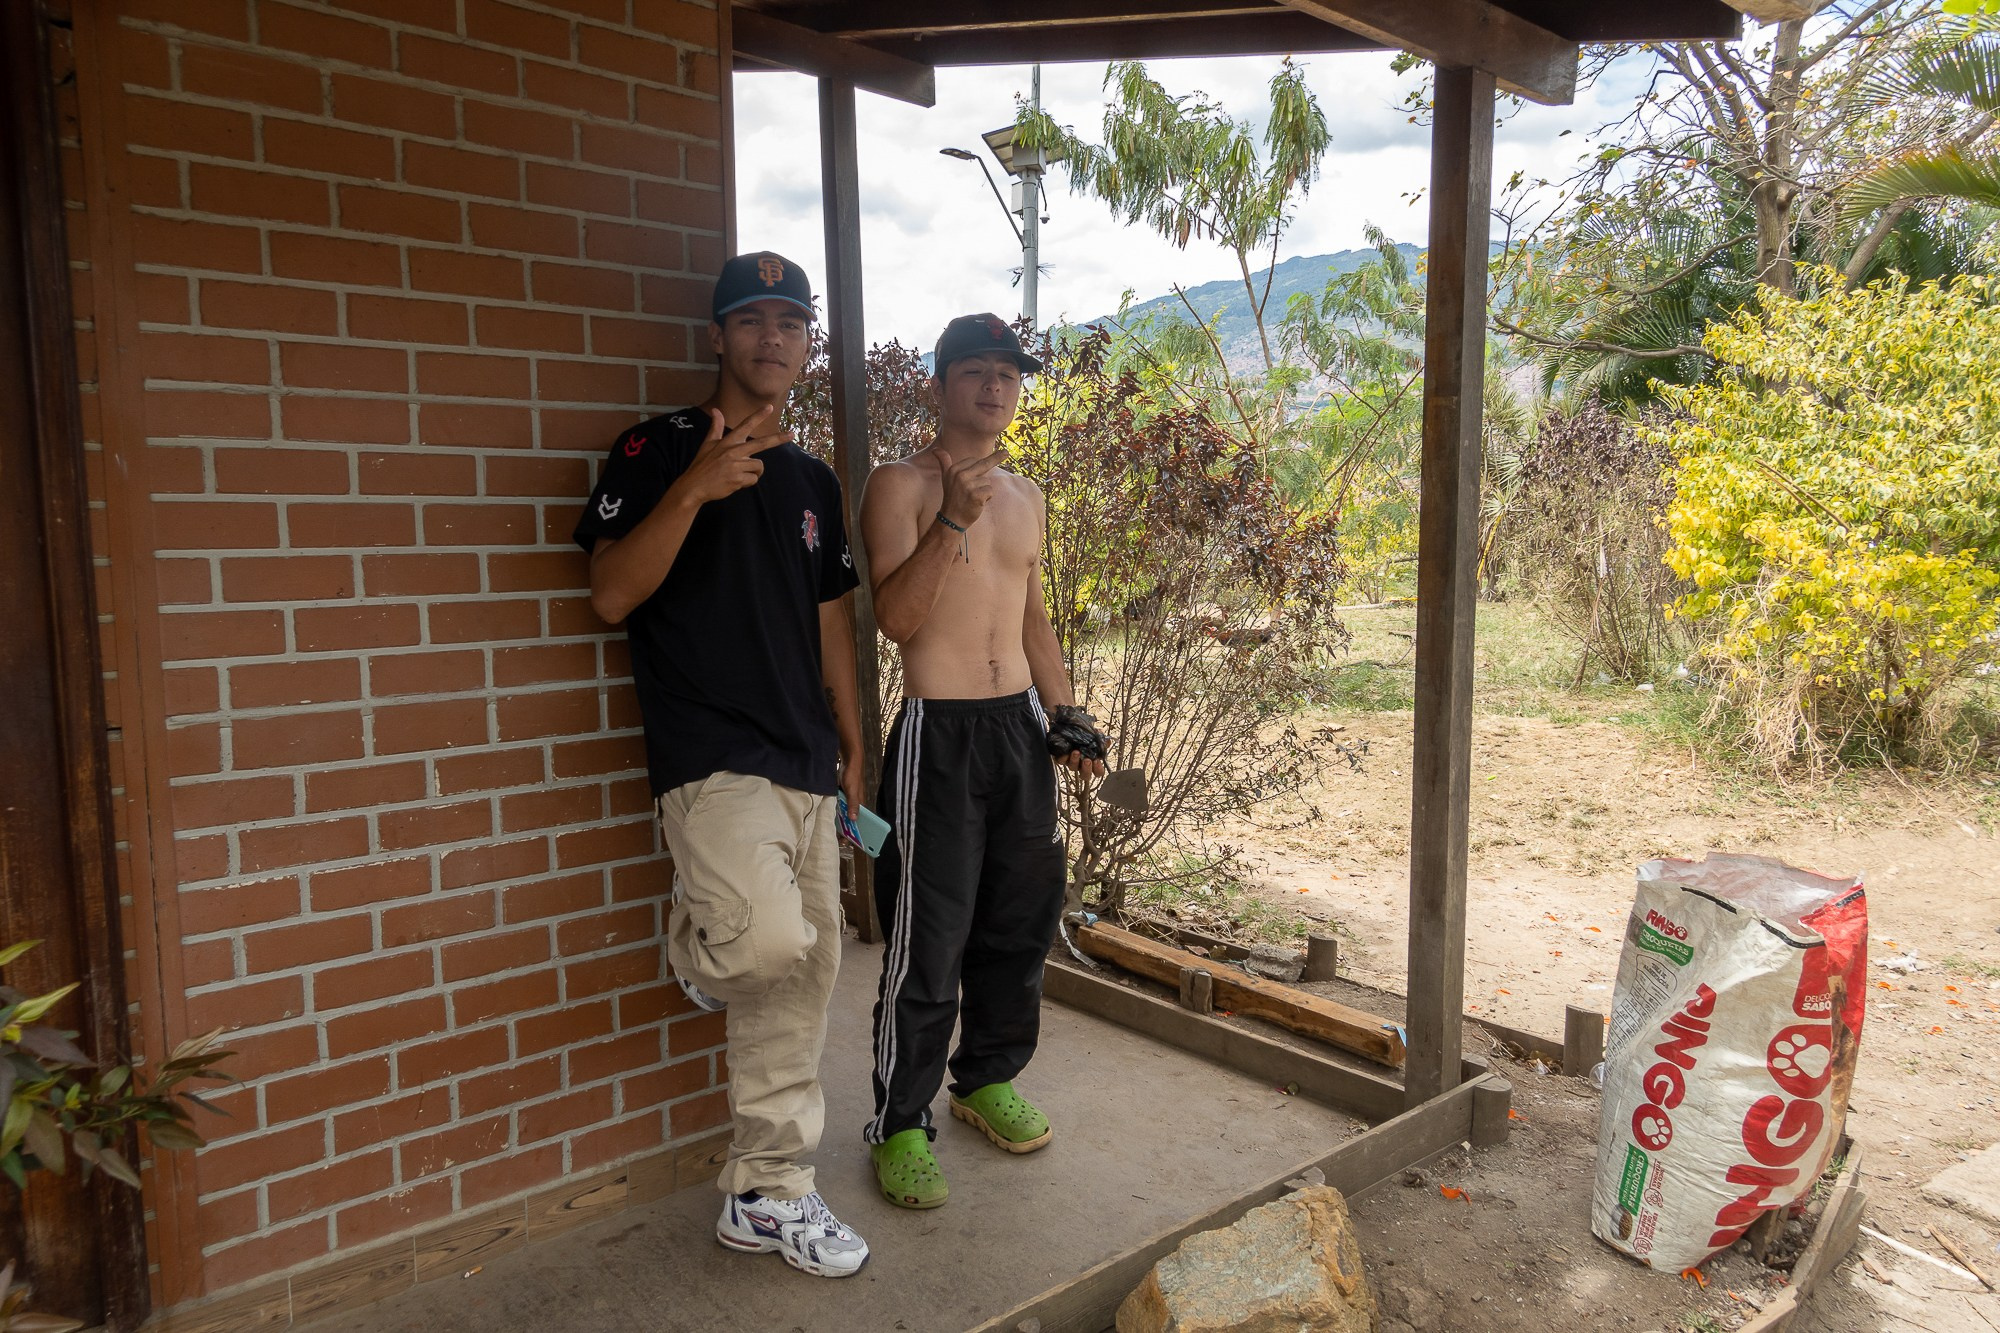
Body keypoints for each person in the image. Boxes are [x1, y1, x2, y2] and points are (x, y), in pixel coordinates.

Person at [573, 251, 870, 1278]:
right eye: (751, 319)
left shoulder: (813, 481)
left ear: (807, 343)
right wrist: (694, 488)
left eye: (791, 321)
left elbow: (831, 622)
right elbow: (611, 594)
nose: (772, 337)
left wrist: (851, 745)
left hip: (805, 760)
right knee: (766, 947)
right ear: (717, 336)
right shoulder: (654, 447)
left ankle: (766, 1192)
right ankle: (701, 943)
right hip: (712, 755)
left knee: (806, 975)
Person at [857, 313, 1110, 1210]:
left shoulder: (1027, 494)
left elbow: (1032, 617)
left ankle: (987, 1077)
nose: (996, 386)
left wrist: (1067, 713)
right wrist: (951, 522)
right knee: (930, 936)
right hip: (940, 734)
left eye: (1008, 372)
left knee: (1018, 919)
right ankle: (899, 1120)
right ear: (939, 385)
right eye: (975, 371)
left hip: (1019, 732)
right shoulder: (900, 484)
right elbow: (897, 620)